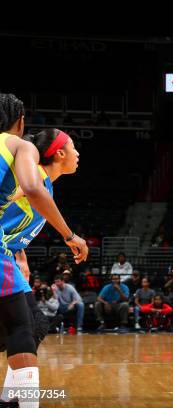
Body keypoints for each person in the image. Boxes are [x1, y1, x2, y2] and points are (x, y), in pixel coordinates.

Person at [0, 100, 88, 408]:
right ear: (60, 153)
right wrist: (70, 236)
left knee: (30, 326)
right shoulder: (32, 175)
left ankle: (12, 398)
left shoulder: (44, 184)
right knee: (26, 326)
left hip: (7, 256)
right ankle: (19, 400)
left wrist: (18, 253)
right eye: (74, 147)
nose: (79, 154)